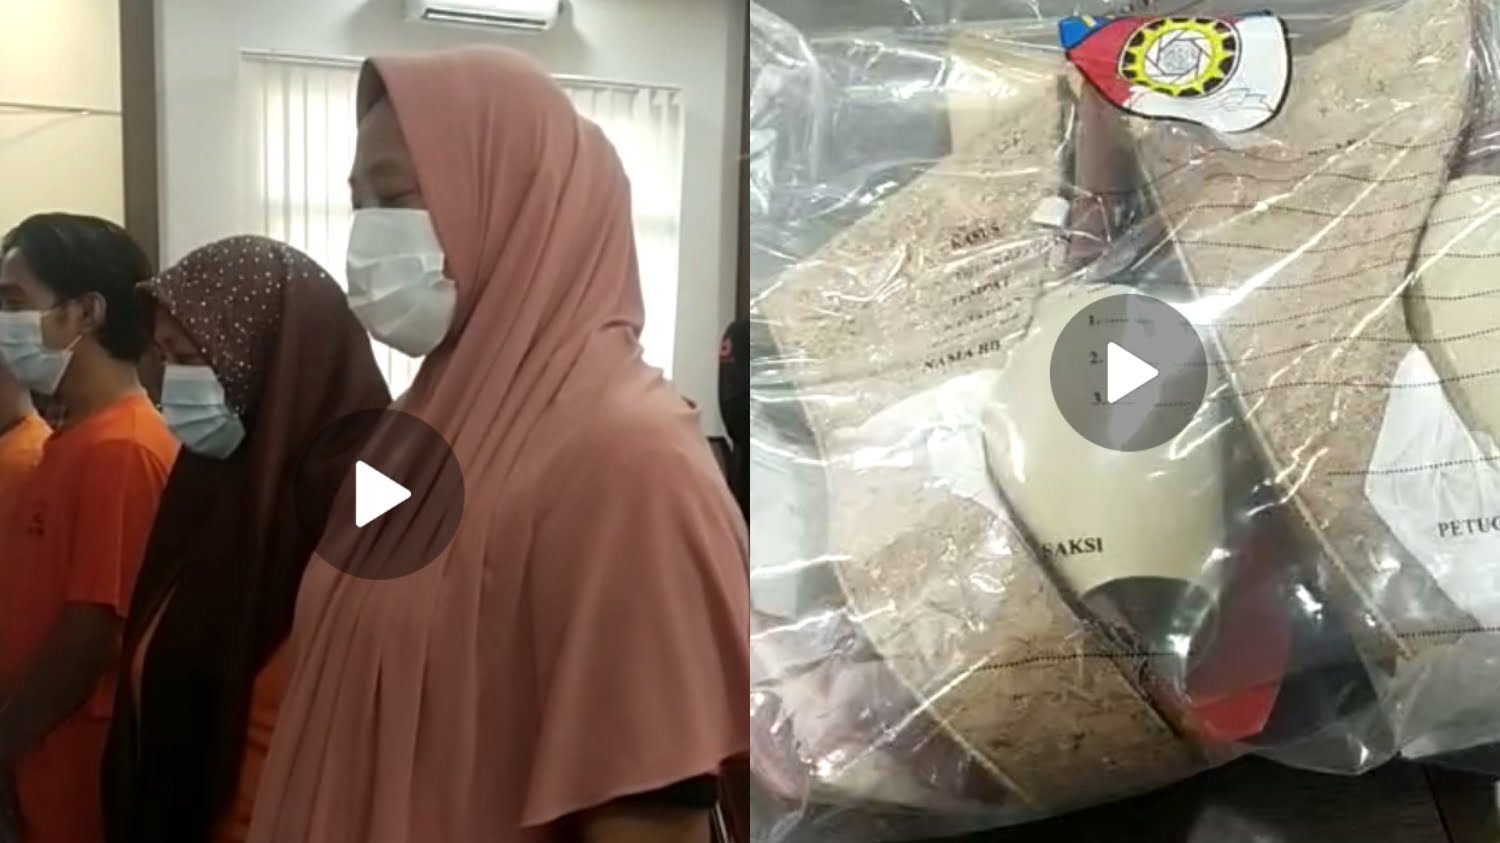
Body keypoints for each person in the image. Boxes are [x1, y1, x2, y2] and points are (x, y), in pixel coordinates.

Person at [247, 47, 749, 843]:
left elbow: (648, 815)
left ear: (513, 204)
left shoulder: (631, 465)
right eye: (357, 203)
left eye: (396, 197)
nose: (367, 234)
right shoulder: (412, 434)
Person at [101, 236, 392, 843]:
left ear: (275, 358)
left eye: (193, 357)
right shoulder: (212, 480)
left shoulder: (373, 496)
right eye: (165, 357)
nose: (172, 384)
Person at [0, 213, 175, 843]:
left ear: (84, 313)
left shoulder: (122, 449)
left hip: (78, 771)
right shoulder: (72, 442)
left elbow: (91, 634)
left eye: (14, 302)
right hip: (38, 761)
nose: (2, 323)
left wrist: (4, 744)